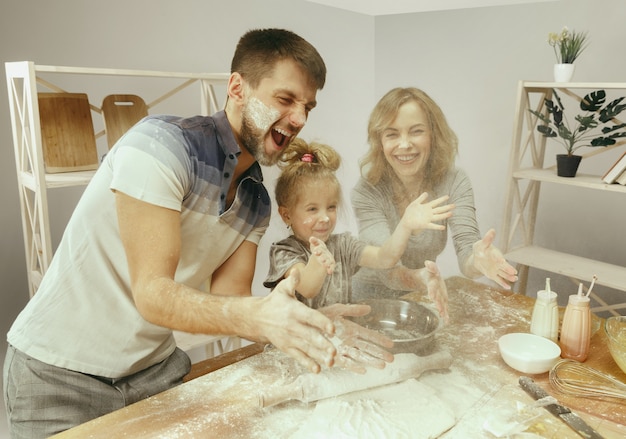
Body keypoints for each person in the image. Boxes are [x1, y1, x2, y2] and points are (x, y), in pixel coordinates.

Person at [3, 29, 392, 438]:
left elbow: (231, 303)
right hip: (57, 379)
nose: (299, 119)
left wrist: (302, 319)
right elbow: (153, 292)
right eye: (285, 99)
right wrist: (262, 318)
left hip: (153, 375)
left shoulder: (255, 200)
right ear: (237, 88)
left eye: (307, 107)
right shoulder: (159, 148)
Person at [351, 87, 518, 318]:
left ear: (433, 134)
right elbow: (385, 266)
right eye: (392, 134)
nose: (405, 144)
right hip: (366, 304)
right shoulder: (368, 189)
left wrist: (477, 261)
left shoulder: (453, 181)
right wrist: (422, 278)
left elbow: (466, 249)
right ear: (380, 142)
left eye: (416, 131)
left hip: (417, 300)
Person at [264, 138, 454, 311]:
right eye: (312, 209)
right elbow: (307, 287)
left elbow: (384, 258)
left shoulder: (343, 246)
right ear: (286, 215)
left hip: (337, 336)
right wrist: (318, 260)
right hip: (295, 344)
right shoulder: (284, 253)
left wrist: (405, 225)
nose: (325, 218)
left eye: (331, 207)